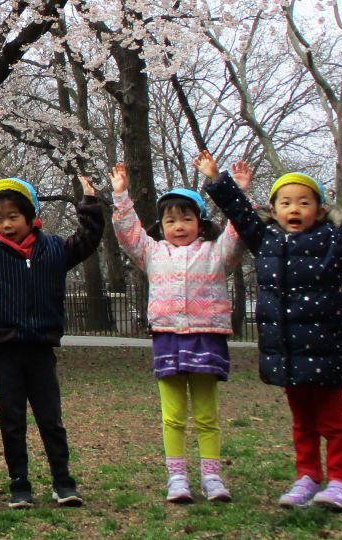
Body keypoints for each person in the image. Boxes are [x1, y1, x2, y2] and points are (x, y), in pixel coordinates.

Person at [204, 151, 342, 511]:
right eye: (285, 202)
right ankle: (308, 476)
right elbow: (239, 212)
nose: (294, 208)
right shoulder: (265, 240)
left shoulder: (333, 240)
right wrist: (218, 179)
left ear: (319, 210)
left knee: (333, 422)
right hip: (289, 355)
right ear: (275, 209)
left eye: (303, 202)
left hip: (325, 353)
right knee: (302, 423)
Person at [0, 162, 104, 508]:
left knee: (51, 420)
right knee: (11, 420)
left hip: (41, 348)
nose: (6, 224)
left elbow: (88, 240)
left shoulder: (54, 250)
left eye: (13, 216)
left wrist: (90, 204)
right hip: (6, 349)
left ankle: (63, 480)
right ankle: (19, 482)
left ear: (31, 217)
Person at [109, 157, 248, 504]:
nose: (179, 225)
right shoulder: (153, 253)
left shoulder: (216, 255)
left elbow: (238, 232)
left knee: (206, 414)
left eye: (187, 218)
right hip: (168, 337)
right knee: (172, 416)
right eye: (171, 220)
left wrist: (239, 193)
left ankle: (212, 477)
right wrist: (121, 195)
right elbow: (129, 234)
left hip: (206, 336)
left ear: (200, 223)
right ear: (163, 226)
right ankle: (177, 477)